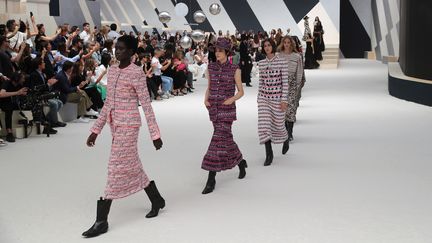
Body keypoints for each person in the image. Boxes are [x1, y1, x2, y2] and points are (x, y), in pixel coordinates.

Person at [82, 35, 165, 238]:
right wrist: (95, 130)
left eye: (121, 49)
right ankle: (156, 199)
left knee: (115, 166)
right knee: (132, 165)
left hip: (130, 126)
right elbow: (108, 103)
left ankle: (101, 221)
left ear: (131, 52)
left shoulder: (136, 73)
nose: (117, 52)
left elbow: (146, 104)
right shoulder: (112, 70)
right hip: (115, 125)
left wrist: (155, 134)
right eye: (116, 48)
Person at [201, 37, 247, 194]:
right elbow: (209, 86)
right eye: (216, 50)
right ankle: (240, 162)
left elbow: (241, 91)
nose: (217, 53)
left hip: (227, 111)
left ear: (227, 52)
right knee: (226, 140)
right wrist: (205, 99)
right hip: (213, 108)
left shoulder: (235, 69)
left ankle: (211, 179)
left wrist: (231, 100)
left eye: (220, 51)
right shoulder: (210, 67)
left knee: (217, 141)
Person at [257, 38, 290, 166]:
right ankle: (269, 153)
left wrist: (284, 100)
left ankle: (285, 137)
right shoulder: (261, 63)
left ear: (273, 46)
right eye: (264, 46)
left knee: (278, 124)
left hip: (277, 100)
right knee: (264, 126)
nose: (267, 47)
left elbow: (285, 83)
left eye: (269, 45)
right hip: (264, 99)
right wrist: (259, 98)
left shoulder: (282, 62)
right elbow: (261, 82)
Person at [277, 36, 304, 144]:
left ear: (292, 44)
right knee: (282, 108)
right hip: (281, 84)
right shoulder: (278, 56)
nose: (287, 44)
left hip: (292, 84)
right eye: (285, 42)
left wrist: (297, 85)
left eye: (289, 42)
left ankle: (290, 132)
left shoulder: (297, 56)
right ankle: (284, 132)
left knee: (291, 108)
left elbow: (299, 71)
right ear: (282, 44)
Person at [0, 72, 28, 142]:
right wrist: (17, 93)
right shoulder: (7, 83)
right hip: (3, 102)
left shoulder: (19, 85)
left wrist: (23, 93)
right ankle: (9, 132)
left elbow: (21, 92)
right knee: (9, 108)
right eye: (22, 78)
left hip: (13, 102)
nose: (24, 80)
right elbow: (1, 94)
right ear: (17, 79)